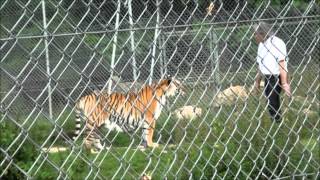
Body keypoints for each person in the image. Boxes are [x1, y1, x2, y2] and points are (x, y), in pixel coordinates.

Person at [253, 22, 291, 123]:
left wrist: (284, 83)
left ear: (263, 33)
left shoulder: (277, 42)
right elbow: (260, 66)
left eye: (255, 33)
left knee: (273, 100)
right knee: (270, 100)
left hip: (278, 75)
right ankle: (276, 122)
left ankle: (277, 122)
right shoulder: (261, 45)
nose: (254, 36)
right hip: (268, 77)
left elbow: (282, 63)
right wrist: (257, 82)